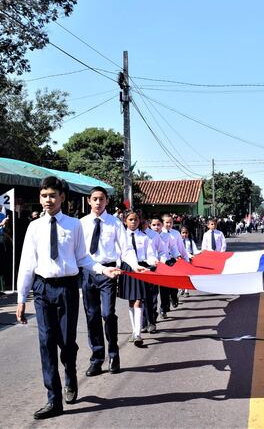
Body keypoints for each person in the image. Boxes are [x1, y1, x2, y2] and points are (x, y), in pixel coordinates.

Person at [16, 177, 119, 420]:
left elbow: (83, 258)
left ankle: (70, 374)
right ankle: (54, 399)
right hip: (42, 289)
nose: (47, 200)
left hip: (67, 289)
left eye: (52, 195)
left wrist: (103, 269)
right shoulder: (34, 227)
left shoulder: (74, 225)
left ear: (62, 197)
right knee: (46, 341)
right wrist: (21, 298)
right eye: (44, 196)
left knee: (66, 341)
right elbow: (27, 264)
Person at [80, 187, 141, 377]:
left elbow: (126, 249)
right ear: (89, 201)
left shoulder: (114, 223)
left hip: (109, 273)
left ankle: (113, 354)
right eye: (95, 199)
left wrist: (135, 265)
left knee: (108, 313)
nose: (98, 203)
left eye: (102, 199)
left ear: (107, 201)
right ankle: (97, 358)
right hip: (88, 272)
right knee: (92, 316)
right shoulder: (80, 224)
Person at [118, 210, 157, 347]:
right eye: (130, 220)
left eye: (135, 220)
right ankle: (134, 330)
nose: (133, 222)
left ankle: (138, 333)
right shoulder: (122, 237)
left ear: (139, 221)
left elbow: (151, 254)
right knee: (131, 300)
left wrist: (153, 262)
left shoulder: (145, 237)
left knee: (139, 301)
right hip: (127, 268)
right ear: (125, 221)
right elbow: (119, 254)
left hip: (141, 268)